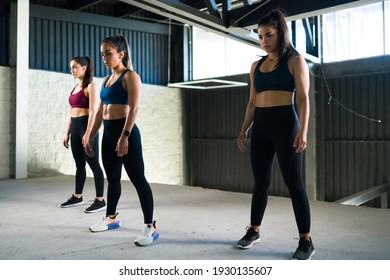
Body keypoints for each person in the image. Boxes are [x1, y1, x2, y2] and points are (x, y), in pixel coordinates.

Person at [236, 9, 314, 260]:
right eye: (260, 36)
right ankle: (254, 230)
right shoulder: (255, 66)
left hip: (286, 126)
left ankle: (306, 240)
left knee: (295, 185)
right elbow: (251, 102)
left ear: (281, 33)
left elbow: (302, 99)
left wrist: (303, 130)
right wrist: (243, 130)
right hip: (260, 126)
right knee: (261, 182)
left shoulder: (295, 61)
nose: (264, 40)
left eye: (268, 35)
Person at [84, 35, 159, 246]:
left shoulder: (130, 76)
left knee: (138, 179)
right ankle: (111, 217)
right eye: (102, 54)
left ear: (121, 54)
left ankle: (149, 227)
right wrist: (90, 135)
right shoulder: (106, 80)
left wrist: (125, 136)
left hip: (126, 134)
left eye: (108, 53)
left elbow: (134, 108)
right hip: (108, 135)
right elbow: (99, 112)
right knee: (113, 178)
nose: (104, 58)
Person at [61, 56, 106, 213]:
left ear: (84, 68)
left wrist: (88, 133)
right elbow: (71, 112)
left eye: (75, 67)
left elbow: (94, 110)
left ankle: (100, 200)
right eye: (71, 67)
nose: (72, 70)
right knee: (79, 164)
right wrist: (67, 133)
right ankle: (77, 196)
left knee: (94, 164)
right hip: (75, 127)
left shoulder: (91, 86)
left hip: (87, 127)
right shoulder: (74, 88)